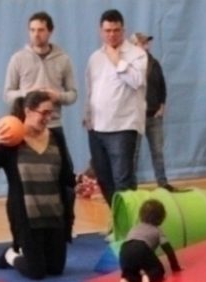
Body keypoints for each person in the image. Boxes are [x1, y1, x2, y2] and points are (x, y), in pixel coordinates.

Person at [0, 91, 75, 280]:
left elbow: (66, 177)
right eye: (44, 113)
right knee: (36, 272)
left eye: (51, 113)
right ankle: (10, 255)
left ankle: (30, 252)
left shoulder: (56, 137)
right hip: (27, 218)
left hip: (54, 214)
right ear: (28, 111)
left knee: (55, 269)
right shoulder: (11, 141)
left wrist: (80, 182)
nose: (49, 117)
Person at [83, 8, 147, 208]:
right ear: (101, 31)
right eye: (107, 30)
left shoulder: (137, 54)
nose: (111, 35)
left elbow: (136, 81)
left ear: (123, 30)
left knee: (123, 180)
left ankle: (129, 225)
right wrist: (88, 115)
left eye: (116, 30)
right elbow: (90, 88)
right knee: (103, 178)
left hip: (123, 126)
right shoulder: (94, 57)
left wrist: (117, 60)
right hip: (97, 127)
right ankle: (118, 219)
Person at [3, 11, 78, 171]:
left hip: (53, 125)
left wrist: (57, 96)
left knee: (64, 173)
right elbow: (8, 94)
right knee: (24, 172)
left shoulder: (63, 59)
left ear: (50, 31)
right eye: (32, 30)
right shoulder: (18, 59)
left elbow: (73, 94)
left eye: (41, 30)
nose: (36, 34)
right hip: (26, 128)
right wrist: (28, 94)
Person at [131, 32, 173, 191]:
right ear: (134, 45)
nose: (146, 45)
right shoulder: (129, 64)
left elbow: (162, 85)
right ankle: (131, 185)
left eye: (146, 43)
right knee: (133, 154)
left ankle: (162, 182)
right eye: (143, 43)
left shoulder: (154, 63)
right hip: (136, 117)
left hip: (154, 115)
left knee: (158, 152)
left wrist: (162, 104)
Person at [117, 198, 181, 282]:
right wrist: (175, 267)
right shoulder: (158, 231)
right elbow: (168, 250)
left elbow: (130, 242)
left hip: (124, 249)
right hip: (141, 248)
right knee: (158, 270)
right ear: (161, 218)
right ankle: (148, 278)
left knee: (132, 271)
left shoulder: (135, 227)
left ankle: (126, 279)